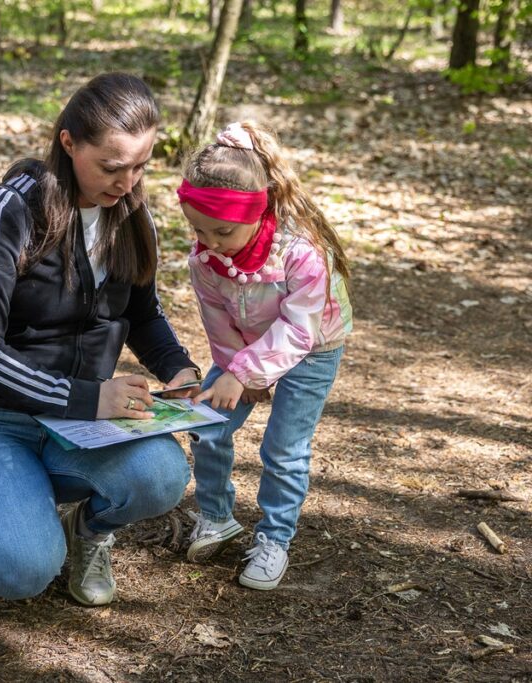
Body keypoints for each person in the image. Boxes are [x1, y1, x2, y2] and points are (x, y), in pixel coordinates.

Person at [0, 72, 203, 607]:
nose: (127, 182)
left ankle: (87, 531)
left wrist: (177, 366)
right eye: (111, 166)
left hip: (85, 423)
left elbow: (143, 314)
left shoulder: (130, 215)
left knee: (163, 477)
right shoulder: (6, 211)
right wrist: (87, 397)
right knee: (20, 572)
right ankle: (0, 528)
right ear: (68, 143)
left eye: (141, 166)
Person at [177, 121, 353, 590]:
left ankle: (275, 538)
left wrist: (249, 372)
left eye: (222, 231)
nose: (209, 242)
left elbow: (299, 328)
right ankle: (215, 516)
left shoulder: (301, 254)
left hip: (313, 347)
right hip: (246, 348)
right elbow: (219, 325)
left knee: (284, 447)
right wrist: (239, 371)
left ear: (257, 214)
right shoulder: (204, 261)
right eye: (197, 229)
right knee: (207, 425)